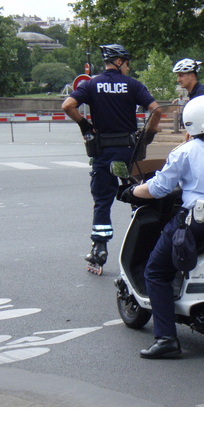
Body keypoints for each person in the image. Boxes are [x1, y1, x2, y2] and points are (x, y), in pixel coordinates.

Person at [120, 94, 204, 359]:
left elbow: (158, 188)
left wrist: (131, 192)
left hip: (200, 223)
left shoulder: (185, 152)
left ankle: (166, 338)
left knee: (155, 271)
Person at [62, 44, 162, 272]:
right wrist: (148, 134)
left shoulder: (91, 85)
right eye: (127, 63)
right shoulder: (133, 85)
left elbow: (68, 105)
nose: (128, 67)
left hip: (103, 154)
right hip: (128, 153)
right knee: (139, 198)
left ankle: (99, 251)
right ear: (119, 62)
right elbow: (156, 110)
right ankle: (144, 249)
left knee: (103, 202)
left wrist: (85, 124)